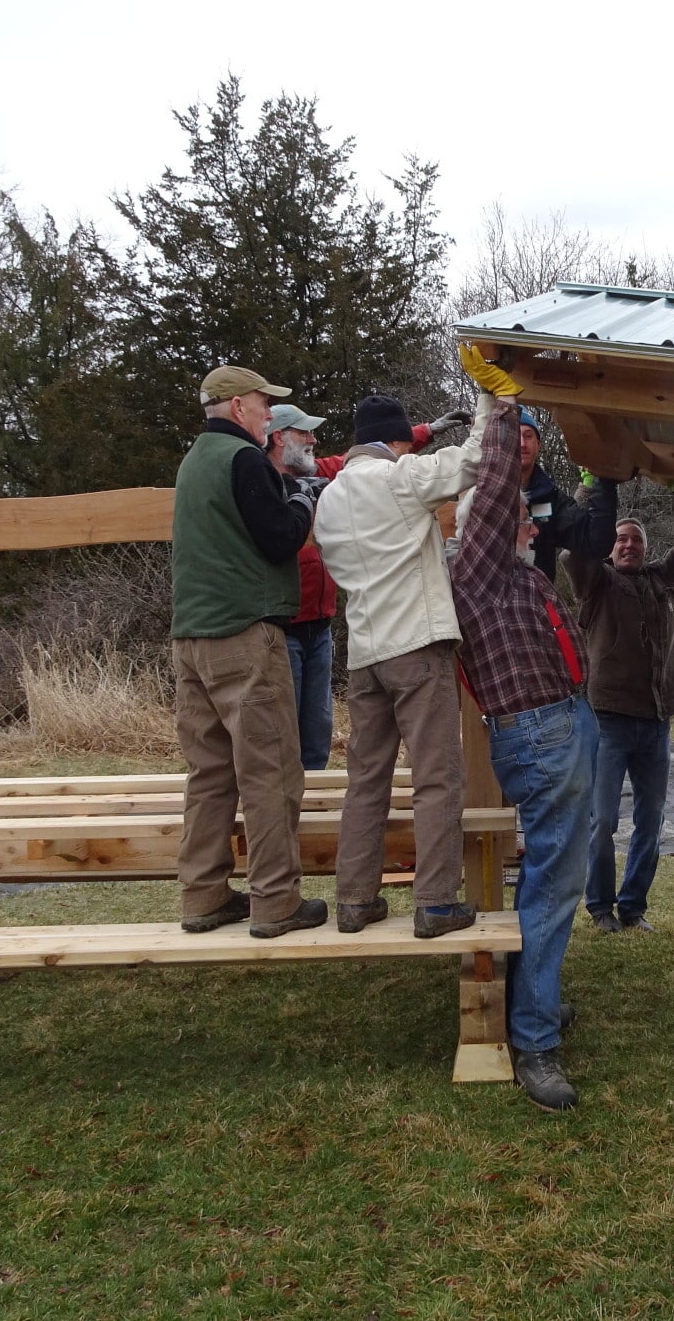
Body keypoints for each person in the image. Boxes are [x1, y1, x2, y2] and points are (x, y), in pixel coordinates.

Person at [446, 345, 598, 1112]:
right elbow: (501, 481)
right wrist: (500, 407)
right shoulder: (473, 569)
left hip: (567, 725)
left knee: (560, 878)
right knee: (549, 888)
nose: (525, 520)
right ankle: (533, 1040)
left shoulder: (521, 572)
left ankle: (536, 1000)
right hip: (539, 736)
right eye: (514, 517)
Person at [313, 387, 494, 938]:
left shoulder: (328, 498)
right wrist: (489, 402)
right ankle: (436, 903)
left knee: (365, 780)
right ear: (396, 442)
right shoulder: (399, 479)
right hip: (416, 646)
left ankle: (354, 900)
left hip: (365, 654)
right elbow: (472, 460)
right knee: (437, 778)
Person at [170, 365, 324, 938]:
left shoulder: (194, 462)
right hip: (244, 637)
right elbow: (280, 538)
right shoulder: (244, 459)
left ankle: (204, 895)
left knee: (209, 774)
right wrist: (305, 501)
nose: (268, 414)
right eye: (264, 404)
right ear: (238, 407)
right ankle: (276, 901)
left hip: (190, 639)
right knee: (270, 771)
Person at [267, 402, 470, 773]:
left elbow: (367, 457)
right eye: (304, 432)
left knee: (317, 733)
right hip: (284, 625)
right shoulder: (261, 483)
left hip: (322, 626)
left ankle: (313, 806)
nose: (313, 439)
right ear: (279, 437)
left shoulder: (322, 477)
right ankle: (289, 818)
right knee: (282, 735)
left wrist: (424, 431)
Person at [567, 477, 674, 933]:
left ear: (645, 548)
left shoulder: (666, 581)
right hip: (608, 721)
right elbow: (575, 547)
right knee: (602, 820)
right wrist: (592, 492)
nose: (628, 545)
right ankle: (600, 906)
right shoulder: (596, 581)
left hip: (657, 724)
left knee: (651, 820)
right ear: (609, 547)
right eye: (620, 538)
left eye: (636, 539)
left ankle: (633, 908)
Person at [515, 407, 618, 581]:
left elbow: (596, 540)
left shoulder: (550, 500)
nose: (522, 443)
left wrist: (603, 476)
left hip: (537, 603)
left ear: (538, 445)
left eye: (528, 435)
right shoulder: (477, 491)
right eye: (515, 435)